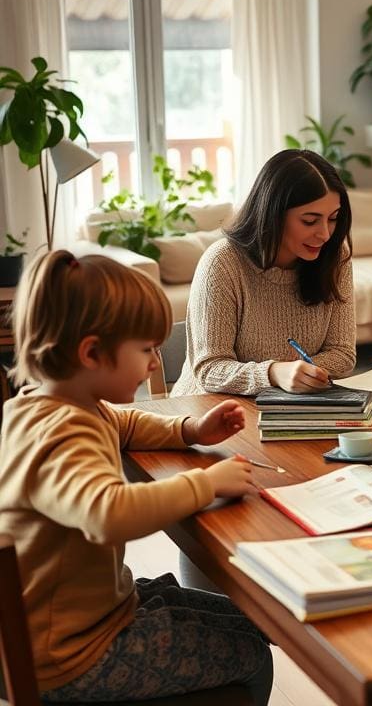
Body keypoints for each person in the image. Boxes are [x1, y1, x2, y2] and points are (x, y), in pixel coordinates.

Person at [0, 250, 272, 704]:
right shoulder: (62, 435)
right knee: (252, 653)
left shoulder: (52, 405)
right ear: (91, 353)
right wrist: (206, 484)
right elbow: (107, 514)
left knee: (249, 621)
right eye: (145, 349)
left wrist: (190, 429)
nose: (153, 362)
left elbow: (123, 423)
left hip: (80, 617)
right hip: (72, 654)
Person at [172, 148, 356, 396]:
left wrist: (299, 374)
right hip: (210, 411)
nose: (324, 233)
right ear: (273, 215)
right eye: (310, 221)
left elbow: (343, 354)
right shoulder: (223, 263)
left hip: (289, 407)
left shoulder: (335, 257)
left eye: (333, 218)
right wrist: (274, 373)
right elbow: (209, 369)